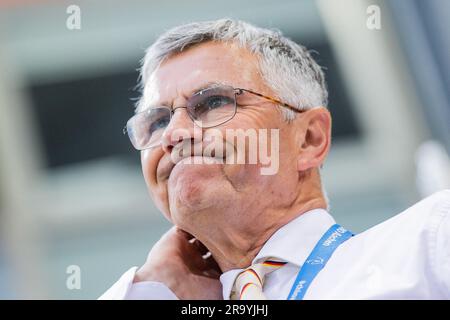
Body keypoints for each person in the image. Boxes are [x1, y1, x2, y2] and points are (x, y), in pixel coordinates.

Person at [100, 19, 450, 300]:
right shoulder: (154, 293)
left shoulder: (428, 241)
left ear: (309, 139)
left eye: (213, 103)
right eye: (158, 121)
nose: (174, 134)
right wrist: (150, 287)